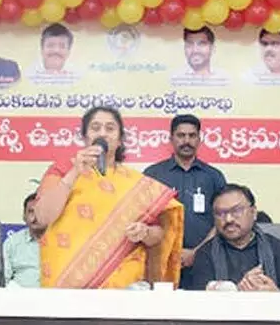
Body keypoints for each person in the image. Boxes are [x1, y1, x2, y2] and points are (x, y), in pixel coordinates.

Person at [34, 106, 184, 289]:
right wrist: (74, 173)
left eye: (110, 128)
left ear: (120, 140)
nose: (103, 133)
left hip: (121, 289)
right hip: (67, 284)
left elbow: (159, 234)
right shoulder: (63, 170)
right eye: (95, 128)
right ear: (85, 137)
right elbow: (42, 217)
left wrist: (144, 232)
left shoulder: (136, 183)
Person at [143, 114, 227, 274]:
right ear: (171, 138)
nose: (186, 141)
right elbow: (144, 218)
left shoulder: (214, 176)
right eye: (181, 135)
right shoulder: (153, 174)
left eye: (192, 135)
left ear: (199, 139)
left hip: (205, 261)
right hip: (161, 262)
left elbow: (222, 220)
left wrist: (196, 252)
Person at [183, 185, 280, 292]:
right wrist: (238, 291)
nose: (229, 219)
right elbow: (201, 304)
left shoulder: (276, 247)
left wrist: (275, 294)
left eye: (236, 211)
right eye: (220, 213)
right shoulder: (205, 253)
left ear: (254, 212)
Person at [1, 193, 44, 288]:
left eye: (40, 211)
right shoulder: (12, 243)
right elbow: (4, 280)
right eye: (31, 211)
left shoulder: (60, 241)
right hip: (19, 298)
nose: (35, 217)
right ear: (24, 216)